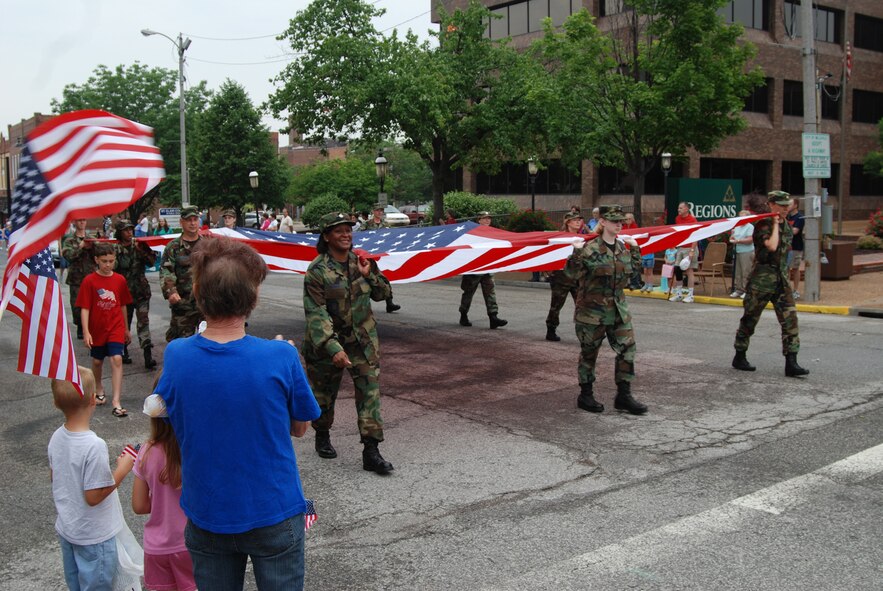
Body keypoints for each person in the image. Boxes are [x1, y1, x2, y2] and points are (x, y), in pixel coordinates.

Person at [155, 236, 320, 590]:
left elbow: (169, 415)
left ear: (198, 294)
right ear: (253, 297)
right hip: (274, 508)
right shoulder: (281, 357)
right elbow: (300, 428)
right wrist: (291, 361)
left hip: (208, 511)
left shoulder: (177, 355)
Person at [303, 212, 395, 475]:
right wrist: (333, 348)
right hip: (326, 345)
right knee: (324, 397)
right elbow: (316, 314)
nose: (346, 234)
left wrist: (371, 274)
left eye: (348, 229)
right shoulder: (317, 270)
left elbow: (384, 294)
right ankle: (322, 432)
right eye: (339, 230)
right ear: (327, 237)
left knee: (369, 392)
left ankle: (371, 450)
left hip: (362, 341)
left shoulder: (362, 262)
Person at [48, 367, 137, 591]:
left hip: (69, 529)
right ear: (93, 400)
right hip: (94, 536)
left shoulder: (57, 436)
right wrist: (123, 469)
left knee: (76, 584)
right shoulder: (94, 445)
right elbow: (94, 496)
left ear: (56, 403)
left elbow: (55, 475)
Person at [563, 204, 648, 415]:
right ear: (602, 222)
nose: (619, 225)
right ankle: (586, 394)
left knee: (628, 350)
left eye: (621, 221)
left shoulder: (621, 248)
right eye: (614, 221)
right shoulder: (589, 248)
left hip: (618, 311)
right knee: (589, 354)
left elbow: (631, 273)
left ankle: (623, 395)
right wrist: (575, 252)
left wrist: (635, 250)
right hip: (592, 313)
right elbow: (571, 276)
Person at [732, 191, 809, 377]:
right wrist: (775, 222)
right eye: (781, 206)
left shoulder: (787, 225)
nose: (785, 209)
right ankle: (739, 355)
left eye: (786, 206)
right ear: (771, 204)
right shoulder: (763, 224)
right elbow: (772, 246)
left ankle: (791, 361)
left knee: (790, 320)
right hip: (762, 281)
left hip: (781, 281)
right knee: (750, 319)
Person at [133, 389, 197, 591]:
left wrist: (162, 501)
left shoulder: (146, 451)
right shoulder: (194, 450)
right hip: (190, 544)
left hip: (156, 548)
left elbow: (139, 505)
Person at [76, 242, 133, 417]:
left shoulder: (119, 280)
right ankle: (99, 387)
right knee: (97, 362)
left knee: (117, 358)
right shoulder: (89, 281)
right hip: (97, 328)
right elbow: (84, 308)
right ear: (96, 260)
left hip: (115, 327)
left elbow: (122, 305)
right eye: (104, 261)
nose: (108, 265)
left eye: (111, 261)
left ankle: (116, 401)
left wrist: (125, 328)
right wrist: (86, 331)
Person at [114, 220, 157, 369]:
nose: (129, 232)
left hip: (141, 292)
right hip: (124, 293)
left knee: (143, 323)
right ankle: (123, 351)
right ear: (120, 232)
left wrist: (142, 250)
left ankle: (147, 357)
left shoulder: (140, 244)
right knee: (124, 323)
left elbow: (152, 262)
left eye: (131, 229)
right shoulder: (116, 249)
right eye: (125, 230)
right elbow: (112, 268)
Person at [160, 206, 204, 342]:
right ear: (181, 222)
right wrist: (171, 291)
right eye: (188, 220)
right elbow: (167, 271)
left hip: (206, 304)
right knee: (182, 345)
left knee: (210, 345)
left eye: (195, 219)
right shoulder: (172, 247)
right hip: (183, 304)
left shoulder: (208, 245)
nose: (192, 223)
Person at [459, 212, 508, 330]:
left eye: (489, 218)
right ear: (478, 220)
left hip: (487, 268)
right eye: (484, 218)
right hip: (473, 269)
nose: (487, 220)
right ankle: (463, 315)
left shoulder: (492, 233)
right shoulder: (473, 233)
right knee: (468, 293)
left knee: (490, 293)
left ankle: (493, 317)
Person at [545, 212, 582, 341]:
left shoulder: (583, 238)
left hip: (578, 278)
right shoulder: (560, 237)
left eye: (579, 220)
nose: (578, 222)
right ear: (568, 222)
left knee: (582, 306)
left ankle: (584, 332)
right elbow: (550, 254)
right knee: (556, 306)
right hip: (561, 278)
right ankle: (551, 329)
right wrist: (549, 271)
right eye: (575, 220)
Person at [362, 204, 402, 313]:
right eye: (378, 210)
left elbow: (390, 237)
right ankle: (363, 305)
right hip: (369, 257)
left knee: (384, 279)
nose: (380, 212)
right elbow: (360, 237)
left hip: (382, 256)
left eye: (381, 211)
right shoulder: (366, 224)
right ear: (373, 211)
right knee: (366, 281)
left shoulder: (385, 224)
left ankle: (389, 303)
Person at [61, 219, 96, 340]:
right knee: (77, 305)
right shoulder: (69, 240)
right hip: (76, 278)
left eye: (84, 220)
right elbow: (68, 256)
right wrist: (81, 247)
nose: (82, 222)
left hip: (91, 277)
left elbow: (99, 254)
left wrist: (93, 246)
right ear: (75, 223)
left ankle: (90, 327)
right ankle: (80, 325)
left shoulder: (91, 238)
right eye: (80, 220)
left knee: (92, 304)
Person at [669, 202, 699, 303]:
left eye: (681, 208)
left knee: (689, 271)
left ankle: (690, 295)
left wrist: (692, 251)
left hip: (690, 248)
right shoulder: (677, 218)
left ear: (686, 209)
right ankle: (679, 294)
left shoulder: (692, 220)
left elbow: (696, 235)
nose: (679, 210)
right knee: (677, 269)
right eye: (678, 208)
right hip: (681, 247)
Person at [729, 209, 755, 298]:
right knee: (738, 272)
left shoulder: (750, 227)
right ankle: (739, 289)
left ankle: (747, 290)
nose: (741, 219)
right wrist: (732, 236)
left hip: (747, 252)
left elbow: (750, 239)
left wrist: (738, 240)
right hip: (738, 251)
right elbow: (732, 237)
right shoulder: (737, 226)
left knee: (746, 272)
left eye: (743, 217)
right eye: (740, 217)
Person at [786, 199, 805, 300]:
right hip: (787, 247)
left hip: (796, 246)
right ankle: (787, 289)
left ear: (796, 205)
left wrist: (786, 228)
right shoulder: (787, 216)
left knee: (795, 268)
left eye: (790, 204)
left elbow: (795, 231)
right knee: (786, 268)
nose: (788, 206)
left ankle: (796, 290)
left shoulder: (799, 217)